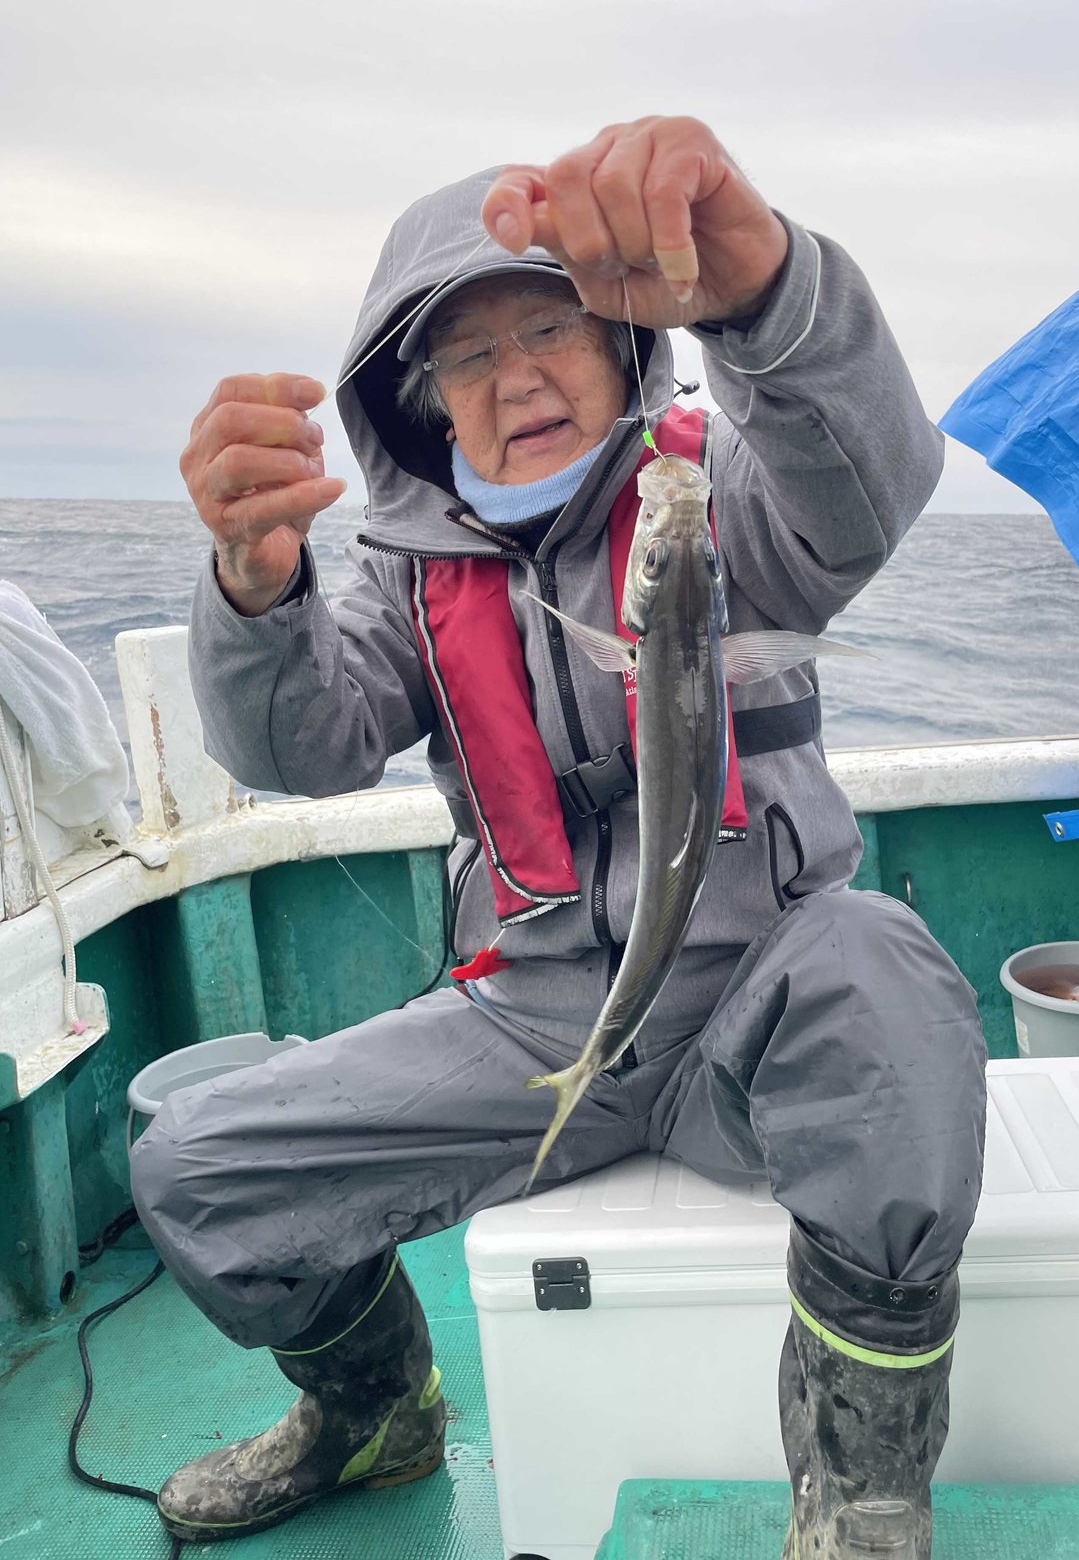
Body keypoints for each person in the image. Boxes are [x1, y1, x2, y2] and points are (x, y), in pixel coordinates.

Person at [129, 116, 987, 1559]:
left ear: (622, 339)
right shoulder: (408, 578)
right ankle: (376, 1413)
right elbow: (298, 750)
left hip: (758, 1005)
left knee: (880, 961)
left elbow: (870, 480)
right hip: (531, 1030)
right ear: (419, 408)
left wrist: (768, 293)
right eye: (467, 356)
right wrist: (252, 592)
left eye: (549, 328)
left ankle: (864, 1493)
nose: (516, 375)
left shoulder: (720, 500)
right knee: (195, 1167)